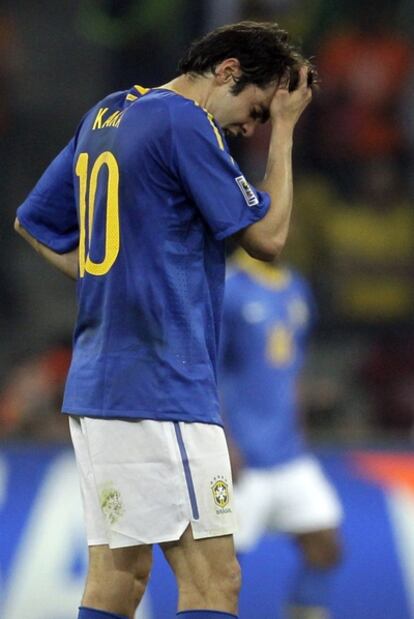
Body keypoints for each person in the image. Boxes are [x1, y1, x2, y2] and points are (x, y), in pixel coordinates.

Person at [14, 21, 313, 619]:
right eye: (255, 108)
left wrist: (104, 274)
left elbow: (32, 220)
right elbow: (269, 237)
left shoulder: (107, 114)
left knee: (118, 580)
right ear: (227, 70)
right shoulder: (184, 120)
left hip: (100, 382)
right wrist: (285, 130)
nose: (248, 127)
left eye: (262, 120)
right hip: (161, 383)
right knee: (214, 580)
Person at [220, 249, 342, 619]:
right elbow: (204, 369)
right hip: (242, 454)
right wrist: (222, 442)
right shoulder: (226, 287)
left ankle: (304, 611)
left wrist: (300, 423)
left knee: (325, 546)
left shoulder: (296, 286)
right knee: (221, 572)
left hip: (289, 453)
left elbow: (294, 364)